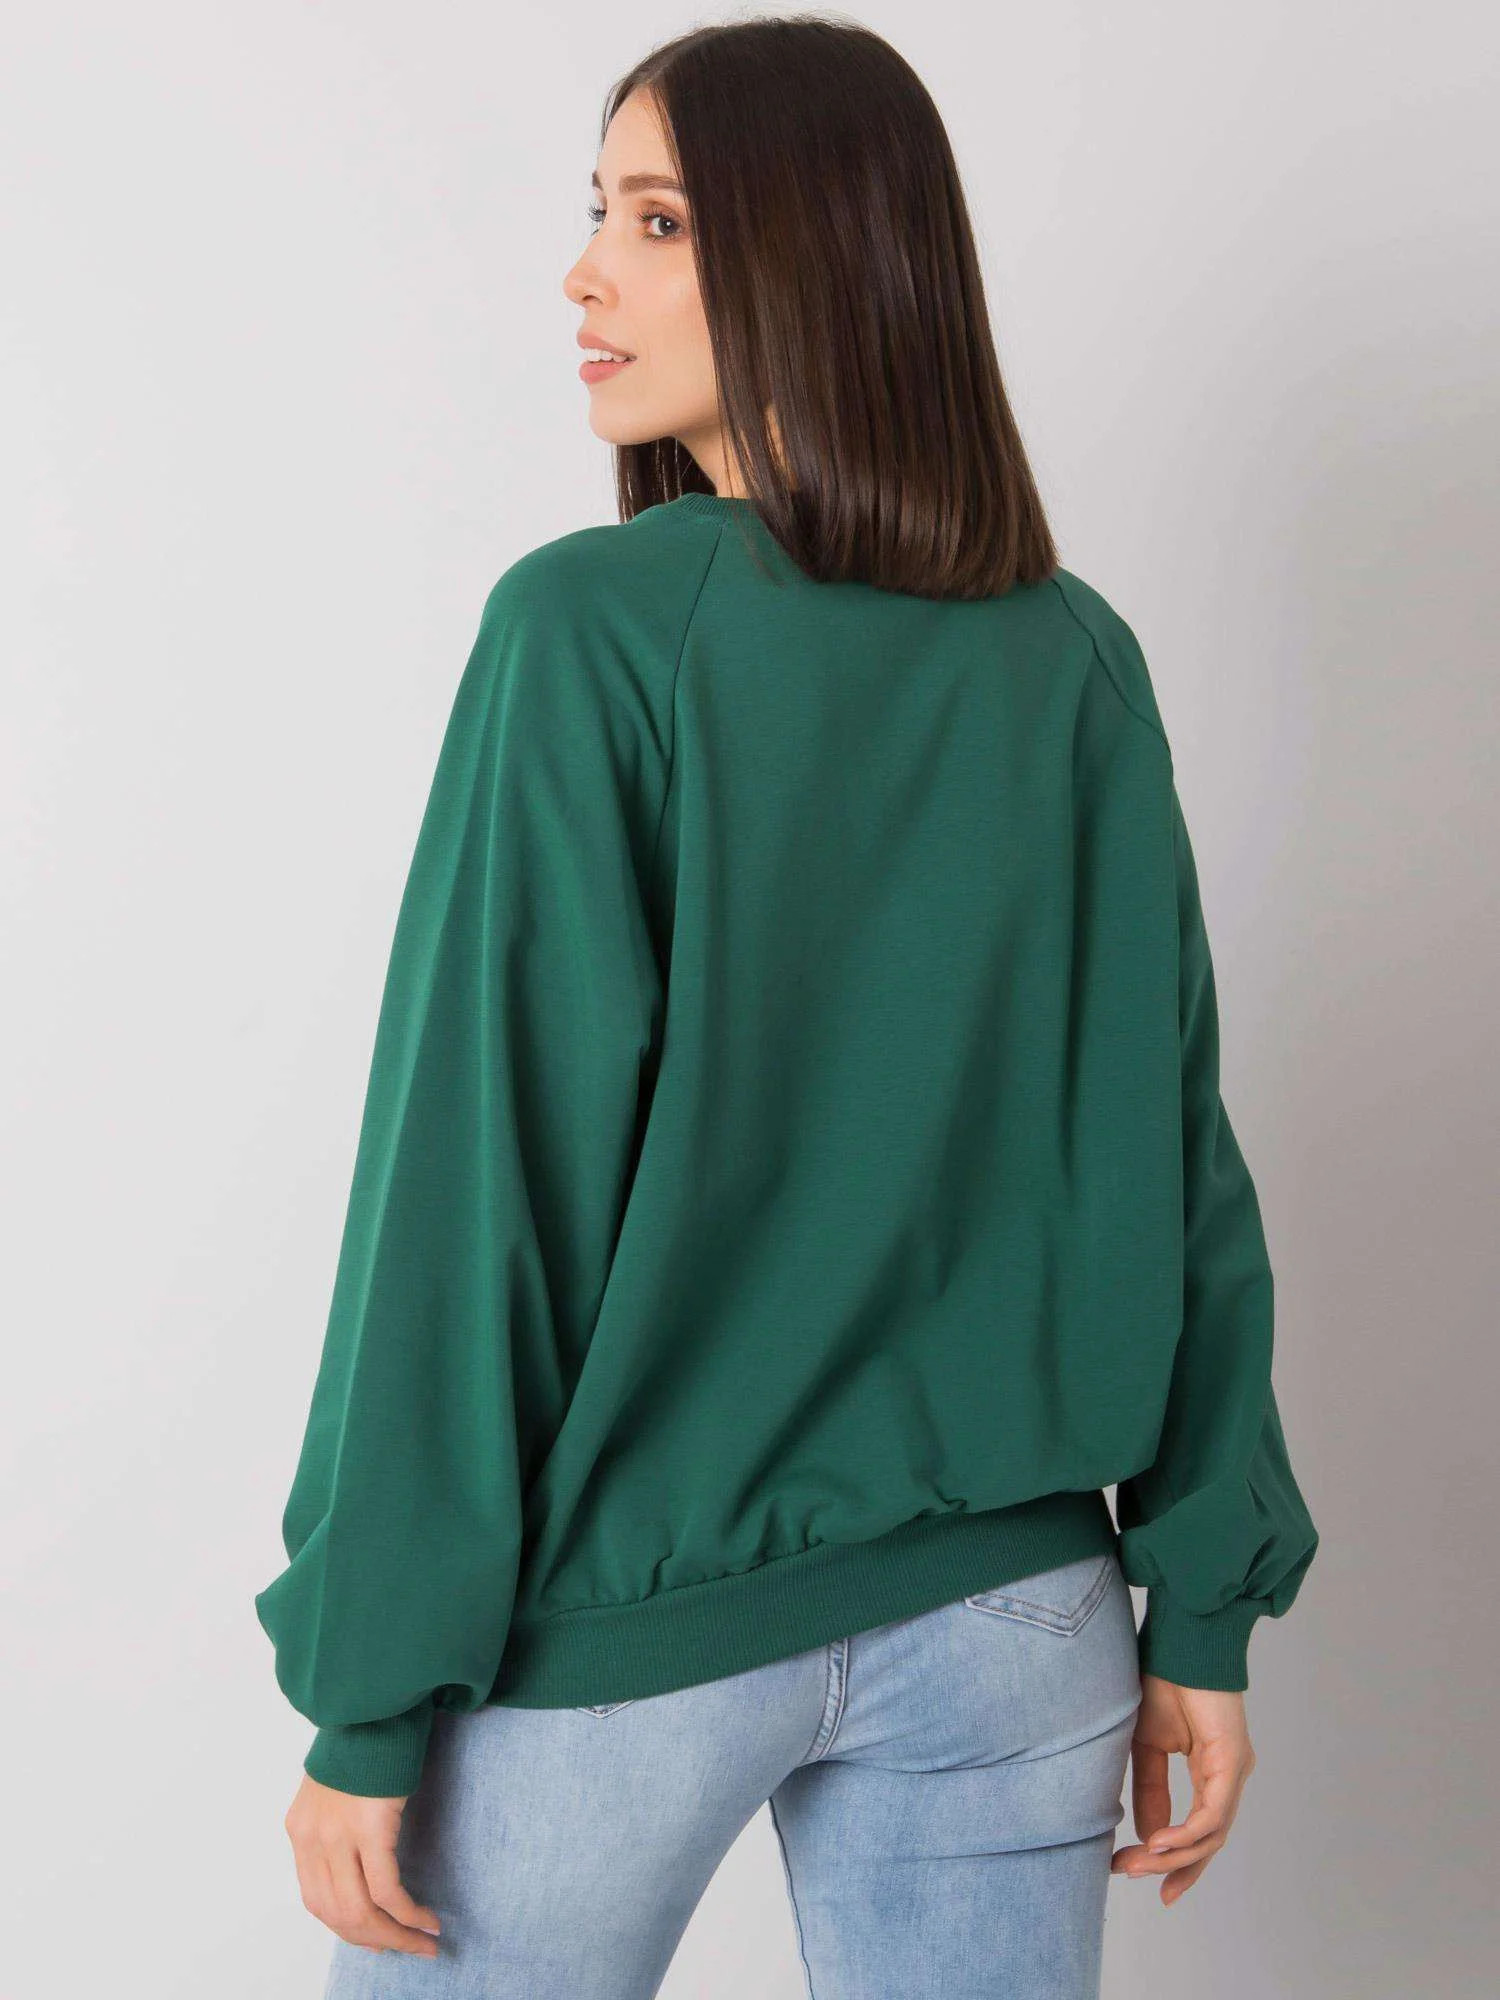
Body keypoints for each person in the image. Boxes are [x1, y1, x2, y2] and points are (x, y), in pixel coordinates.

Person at [254, 17, 1320, 1997]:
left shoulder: (594, 628)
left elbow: (481, 1190)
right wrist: (1198, 1603)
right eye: (600, 214)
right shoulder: (1072, 657)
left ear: (824, 254)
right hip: (1021, 1624)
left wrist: (368, 1685)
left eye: (658, 222)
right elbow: (1175, 1171)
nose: (586, 274)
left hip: (633, 1626)